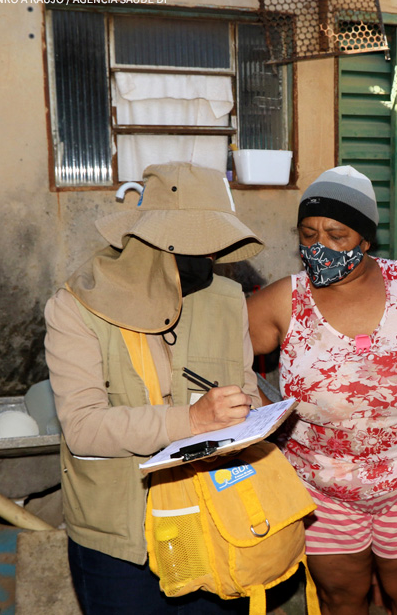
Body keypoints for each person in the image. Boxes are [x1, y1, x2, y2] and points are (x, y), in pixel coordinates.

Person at [246, 166, 397, 615]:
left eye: (336, 235)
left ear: (365, 239)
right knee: (341, 598)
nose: (319, 247)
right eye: (308, 234)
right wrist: (263, 414)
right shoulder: (287, 299)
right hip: (320, 488)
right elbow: (221, 347)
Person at [44, 162, 263, 614]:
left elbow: (246, 395)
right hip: (121, 539)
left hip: (211, 518)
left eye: (215, 248)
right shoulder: (77, 306)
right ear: (156, 243)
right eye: (199, 246)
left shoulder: (227, 301)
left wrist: (248, 417)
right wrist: (193, 420)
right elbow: (83, 428)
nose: (210, 259)